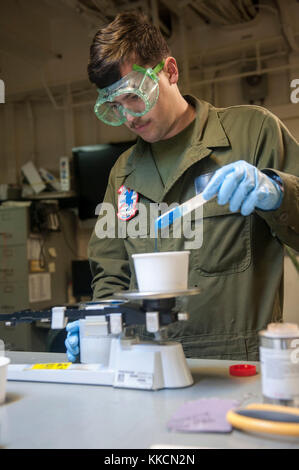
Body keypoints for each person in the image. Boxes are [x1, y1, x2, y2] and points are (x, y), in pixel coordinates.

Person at [65, 11, 299, 362]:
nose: (129, 117)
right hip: (149, 365)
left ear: (170, 71)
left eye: (133, 96)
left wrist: (280, 193)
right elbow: (111, 275)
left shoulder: (253, 133)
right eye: (115, 106)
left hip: (237, 368)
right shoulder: (123, 173)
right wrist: (97, 323)